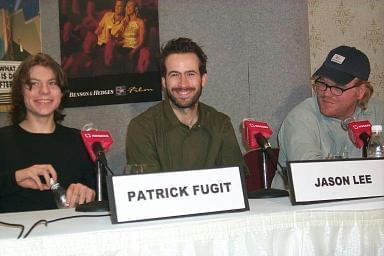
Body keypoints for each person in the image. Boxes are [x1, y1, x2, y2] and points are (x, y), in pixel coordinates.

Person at [126, 37, 247, 173]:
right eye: (174, 75)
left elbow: (234, 184)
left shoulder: (221, 124)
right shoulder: (142, 128)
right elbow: (149, 188)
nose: (183, 84)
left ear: (203, 79)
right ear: (164, 82)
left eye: (190, 74)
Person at [273, 45, 384, 189]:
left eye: (338, 87)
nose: (326, 93)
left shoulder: (379, 112)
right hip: (304, 207)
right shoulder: (300, 118)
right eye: (322, 83)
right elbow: (312, 175)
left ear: (361, 91)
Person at [0, 53, 96, 213]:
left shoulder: (80, 140)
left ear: (61, 92)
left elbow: (106, 197)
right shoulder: (3, 141)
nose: (44, 91)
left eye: (52, 83)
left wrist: (89, 193)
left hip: (71, 234)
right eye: (34, 84)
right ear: (21, 92)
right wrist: (15, 178)